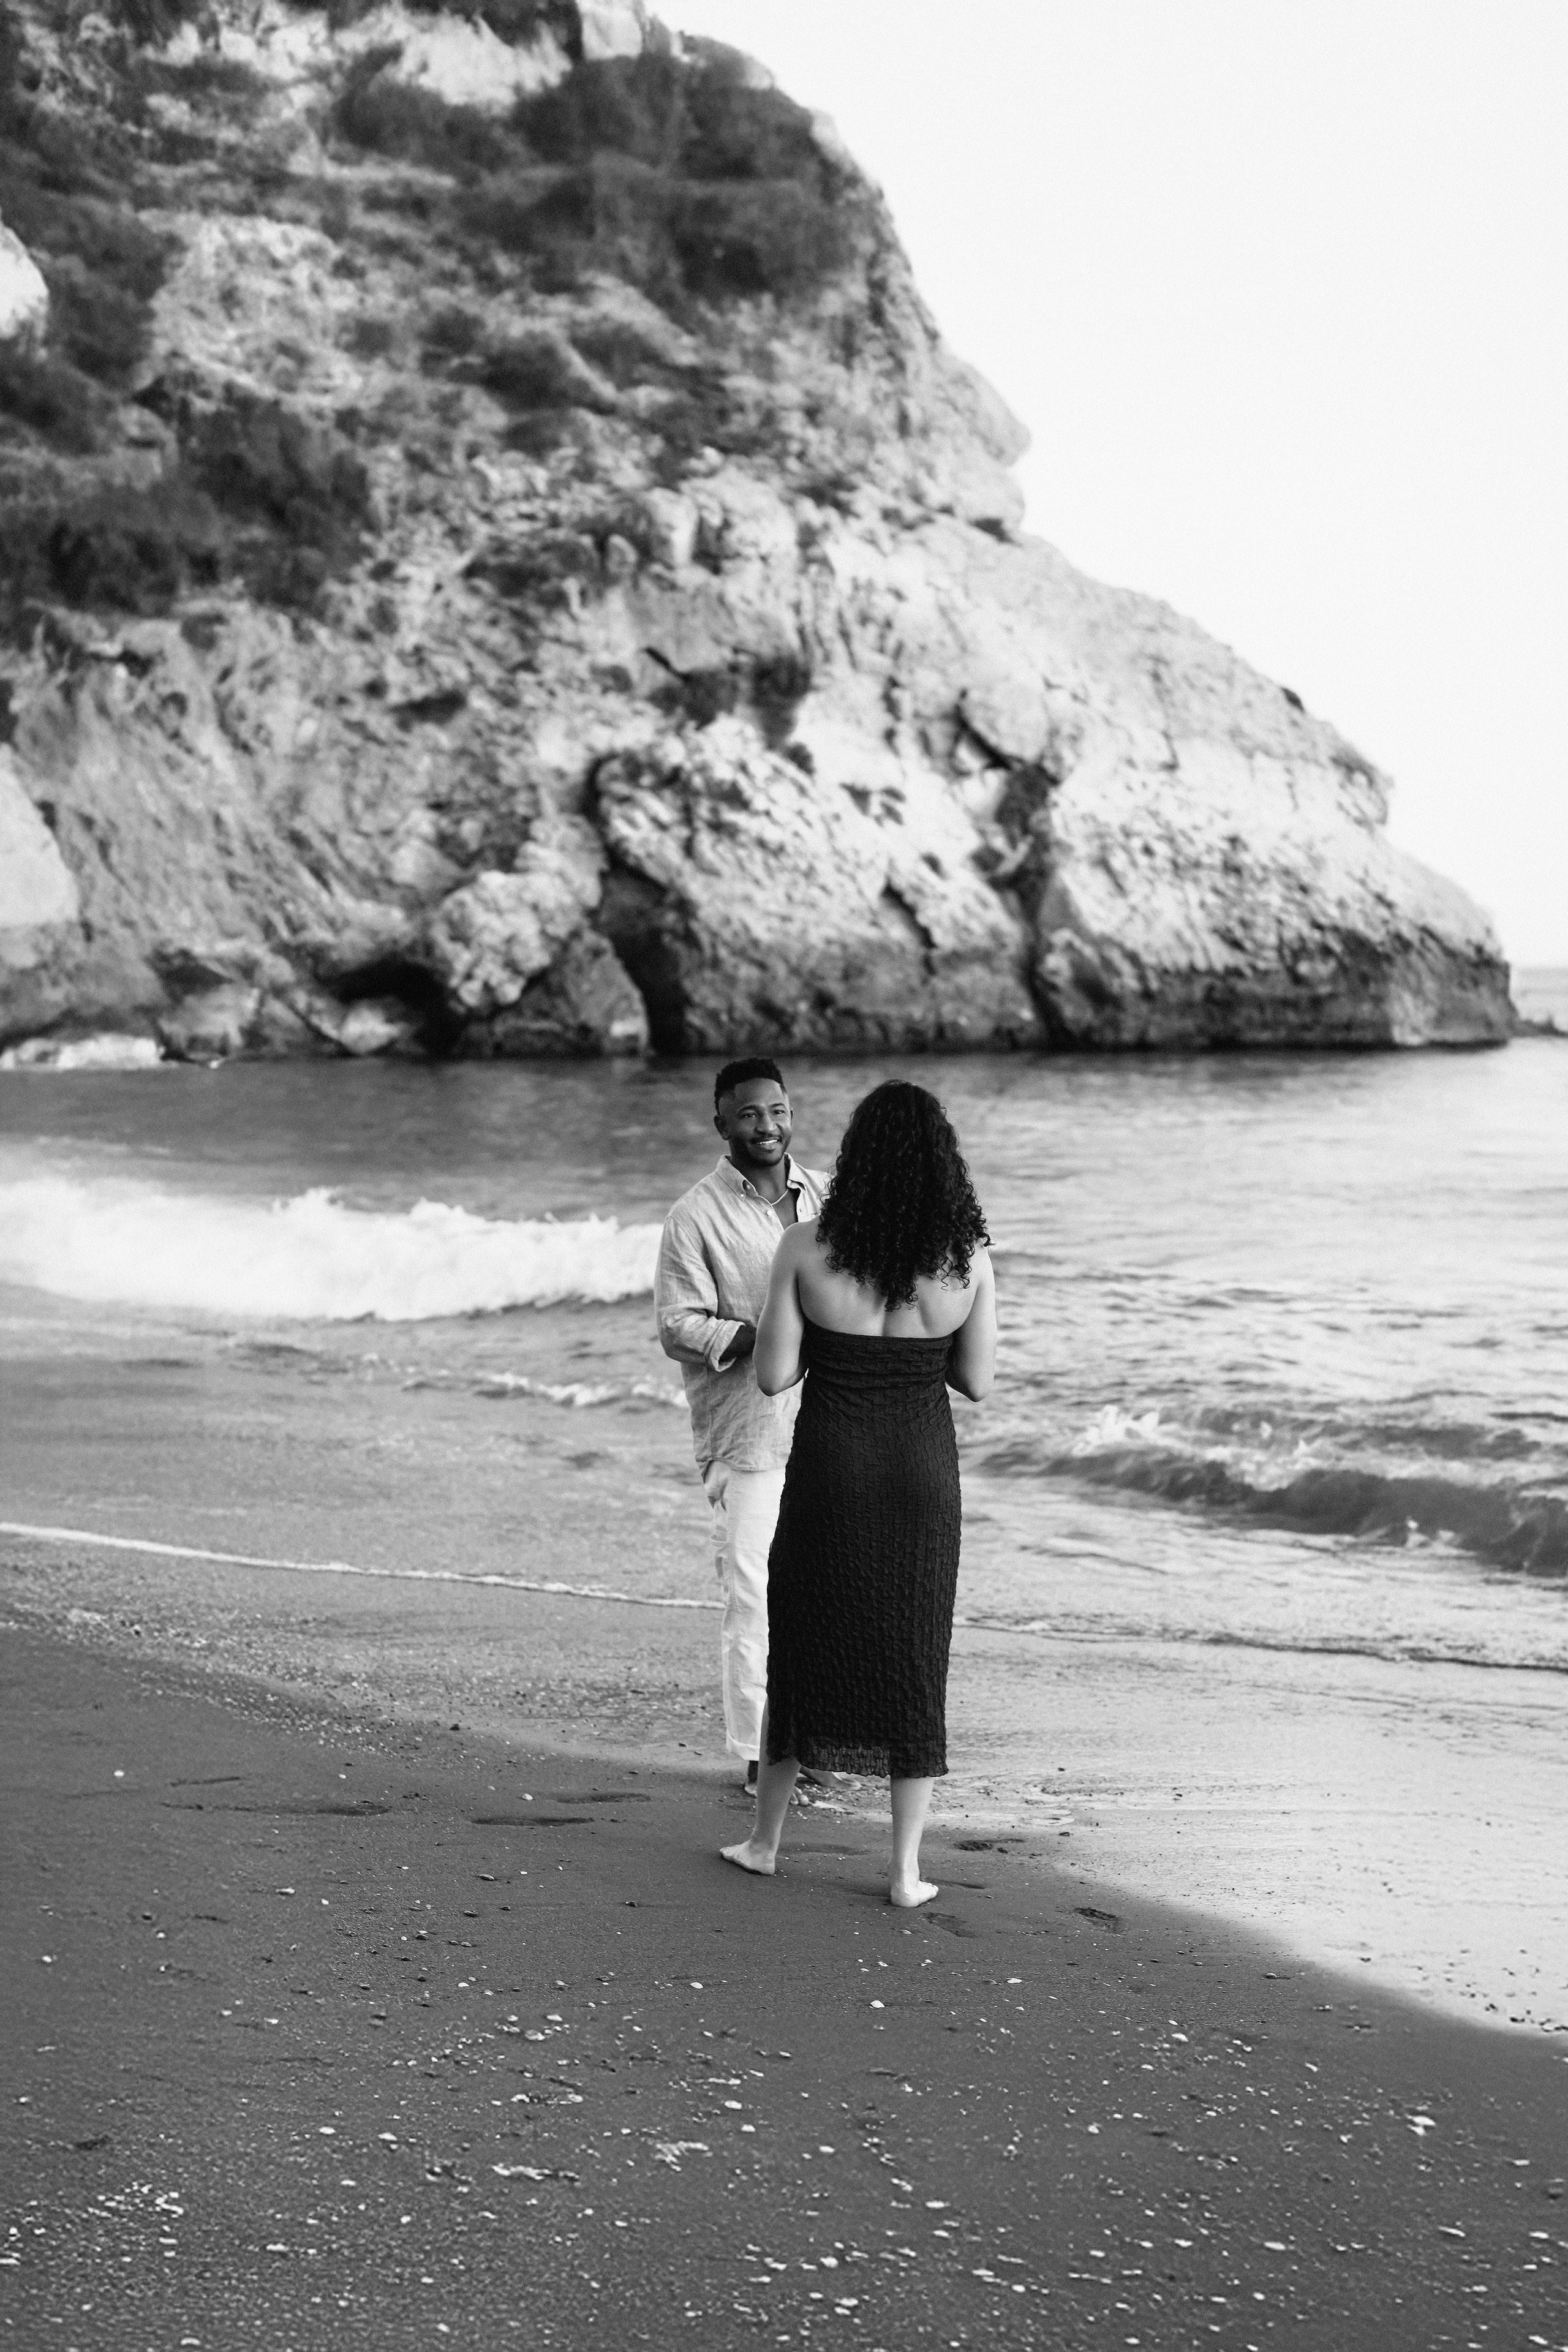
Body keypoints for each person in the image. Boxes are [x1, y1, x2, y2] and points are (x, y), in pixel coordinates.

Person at [721, 1079, 997, 1907]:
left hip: (832, 1468)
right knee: (915, 1656)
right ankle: (905, 1872)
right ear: (943, 1163)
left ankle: (765, 1843)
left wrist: (830, 1345)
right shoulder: (966, 1258)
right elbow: (977, 1380)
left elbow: (774, 1375)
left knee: (802, 1642)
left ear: (856, 1157)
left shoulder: (805, 1246)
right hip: (920, 1473)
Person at [655, 1058, 827, 1784]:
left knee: (818, 1592)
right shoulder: (694, 1215)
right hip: (746, 1432)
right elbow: (676, 1325)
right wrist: (767, 1333)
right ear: (721, 1122)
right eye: (750, 1113)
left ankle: (811, 1741)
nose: (767, 1126)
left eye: (778, 1111)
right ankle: (761, 1756)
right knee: (752, 1594)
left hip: (829, 1423)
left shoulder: (828, 1195)